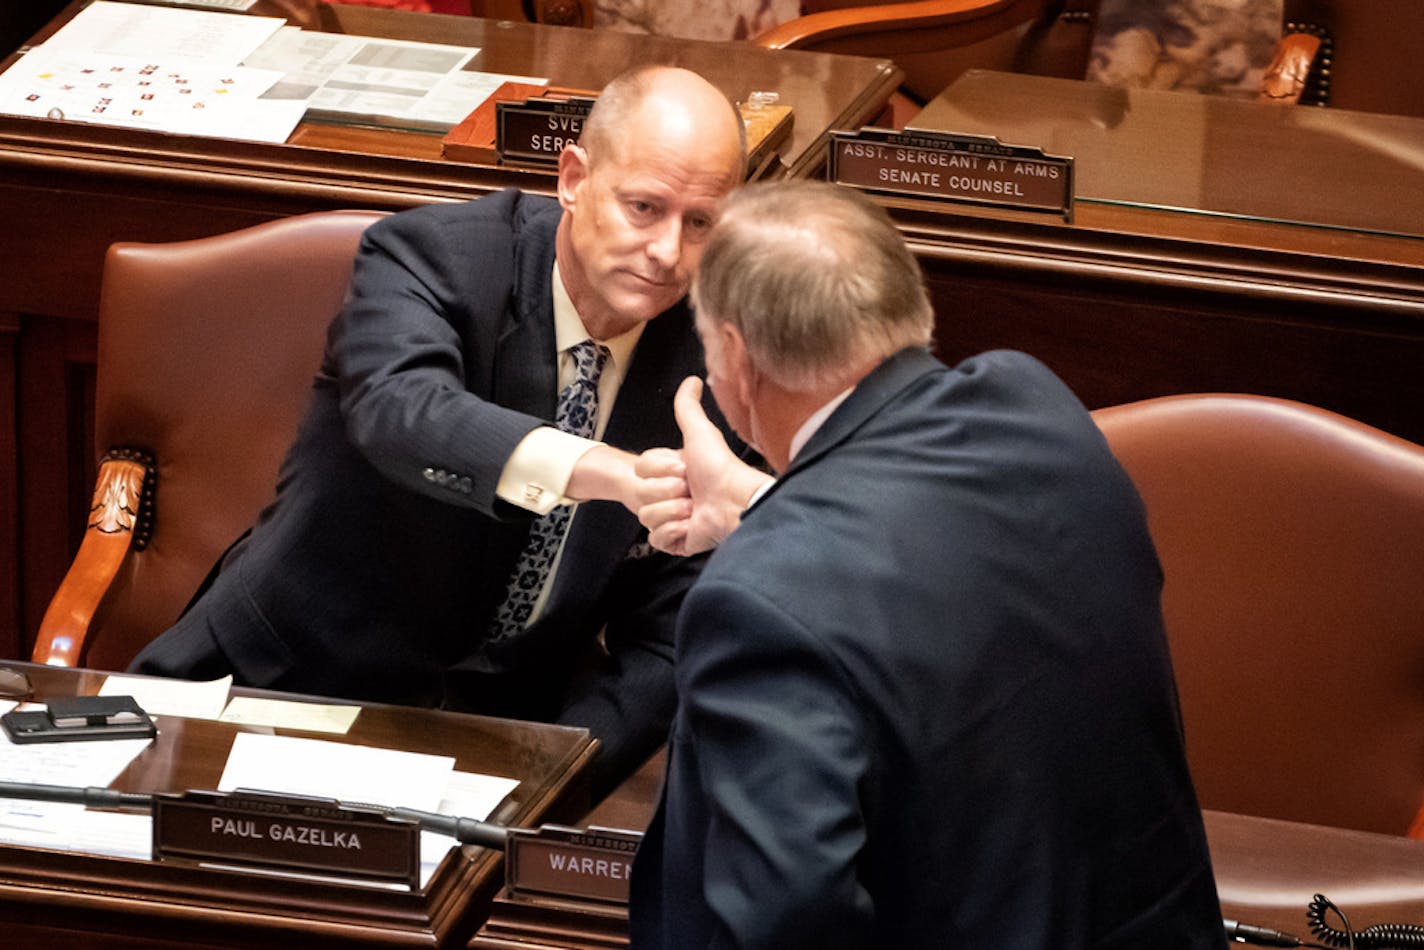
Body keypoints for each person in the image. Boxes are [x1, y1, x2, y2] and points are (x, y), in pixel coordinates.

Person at [628, 180, 1225, 948]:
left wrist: (762, 534)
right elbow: (917, 566)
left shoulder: (757, 599)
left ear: (737, 359)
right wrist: (760, 505)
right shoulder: (1037, 410)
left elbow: (787, 923)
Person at [129, 65, 748, 797]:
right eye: (644, 207)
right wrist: (606, 472)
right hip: (290, 684)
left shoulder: (717, 352)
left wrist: (556, 778)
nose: (668, 253)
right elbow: (402, 412)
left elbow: (674, 635)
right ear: (574, 178)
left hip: (500, 741)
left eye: (700, 223)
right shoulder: (432, 257)